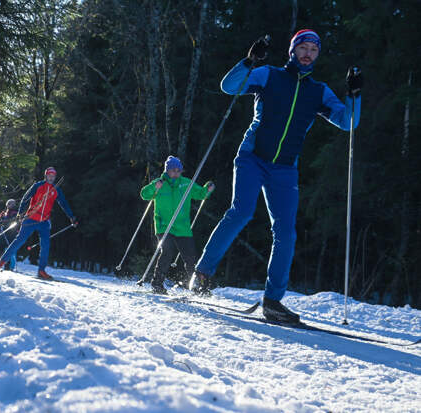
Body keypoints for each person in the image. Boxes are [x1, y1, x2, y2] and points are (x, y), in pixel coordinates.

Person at [189, 30, 362, 323]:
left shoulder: (318, 91)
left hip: (285, 168)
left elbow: (348, 123)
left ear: (317, 55)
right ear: (293, 50)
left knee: (286, 232)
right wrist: (249, 61)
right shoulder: (268, 75)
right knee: (241, 211)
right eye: (303, 48)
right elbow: (229, 86)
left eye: (313, 50)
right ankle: (202, 274)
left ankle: (272, 301)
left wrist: (354, 95)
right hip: (252, 157)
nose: (308, 53)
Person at [139, 156, 215, 295]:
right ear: (167, 170)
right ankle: (157, 284)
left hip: (182, 228)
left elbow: (201, 194)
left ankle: (198, 286)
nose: (176, 173)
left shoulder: (186, 184)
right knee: (167, 252)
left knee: (190, 257)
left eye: (179, 170)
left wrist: (208, 189)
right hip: (164, 226)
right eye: (173, 170)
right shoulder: (160, 183)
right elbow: (144, 194)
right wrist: (154, 187)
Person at [0, 167, 78, 279]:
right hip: (30, 218)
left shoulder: (56, 189)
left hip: (44, 221)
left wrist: (71, 216)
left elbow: (63, 203)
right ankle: (2, 262)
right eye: (49, 175)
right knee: (19, 240)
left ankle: (41, 271)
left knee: (46, 245)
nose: (51, 177)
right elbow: (25, 198)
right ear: (46, 176)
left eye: (53, 176)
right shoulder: (38, 186)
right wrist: (20, 214)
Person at [0, 199, 18, 270]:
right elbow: (1, 220)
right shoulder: (4, 212)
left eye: (10, 204)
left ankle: (8, 265)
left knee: (8, 249)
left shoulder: (15, 212)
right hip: (3, 232)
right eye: (8, 204)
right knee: (0, 247)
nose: (9, 205)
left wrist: (3, 221)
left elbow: (13, 220)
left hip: (11, 233)